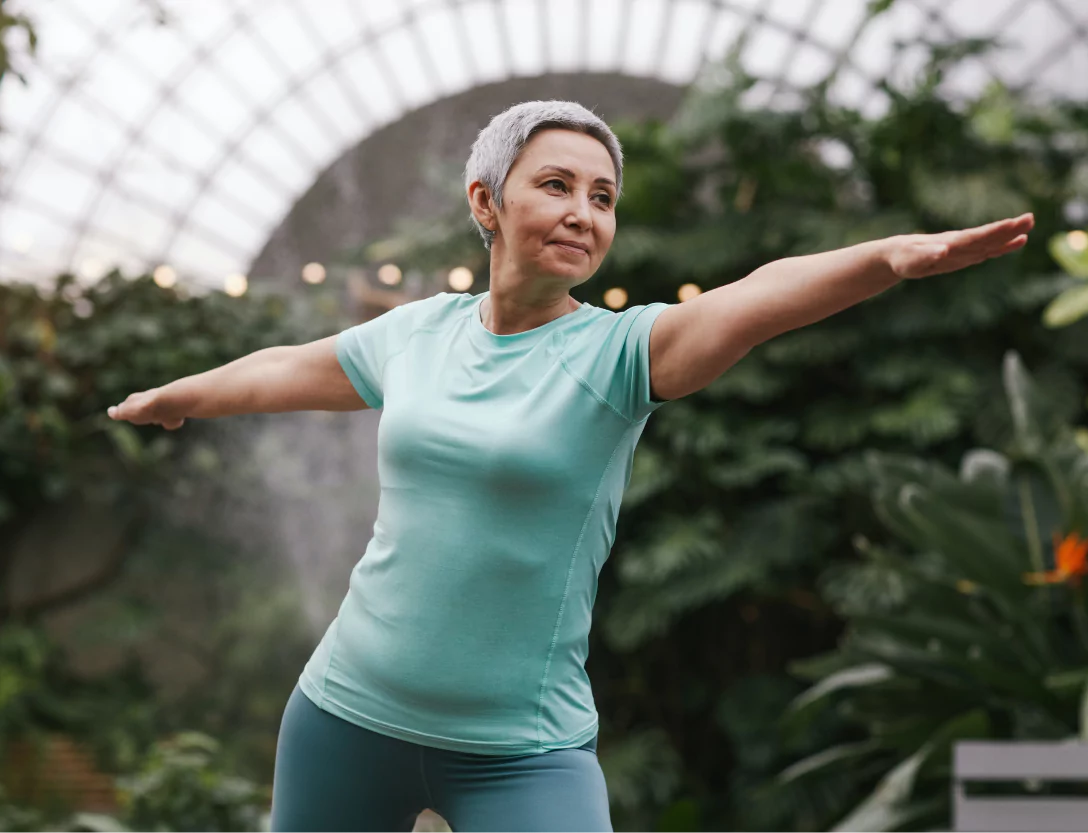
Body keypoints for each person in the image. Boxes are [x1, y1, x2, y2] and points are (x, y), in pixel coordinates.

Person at [107, 100, 1034, 832]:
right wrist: (177, 393)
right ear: (486, 202)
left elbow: (754, 299)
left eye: (601, 197)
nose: (583, 213)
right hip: (346, 714)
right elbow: (282, 370)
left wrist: (885, 258)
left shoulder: (622, 355)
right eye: (555, 184)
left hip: (521, 749)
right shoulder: (416, 334)